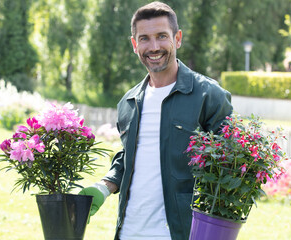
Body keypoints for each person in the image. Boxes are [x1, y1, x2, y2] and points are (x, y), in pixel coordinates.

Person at [79, 2, 233, 240]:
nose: (154, 47)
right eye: (144, 38)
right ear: (134, 44)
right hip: (128, 232)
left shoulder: (207, 95)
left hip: (180, 234)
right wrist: (104, 186)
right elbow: (132, 157)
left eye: (162, 36)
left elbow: (231, 166)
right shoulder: (128, 102)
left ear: (177, 38)